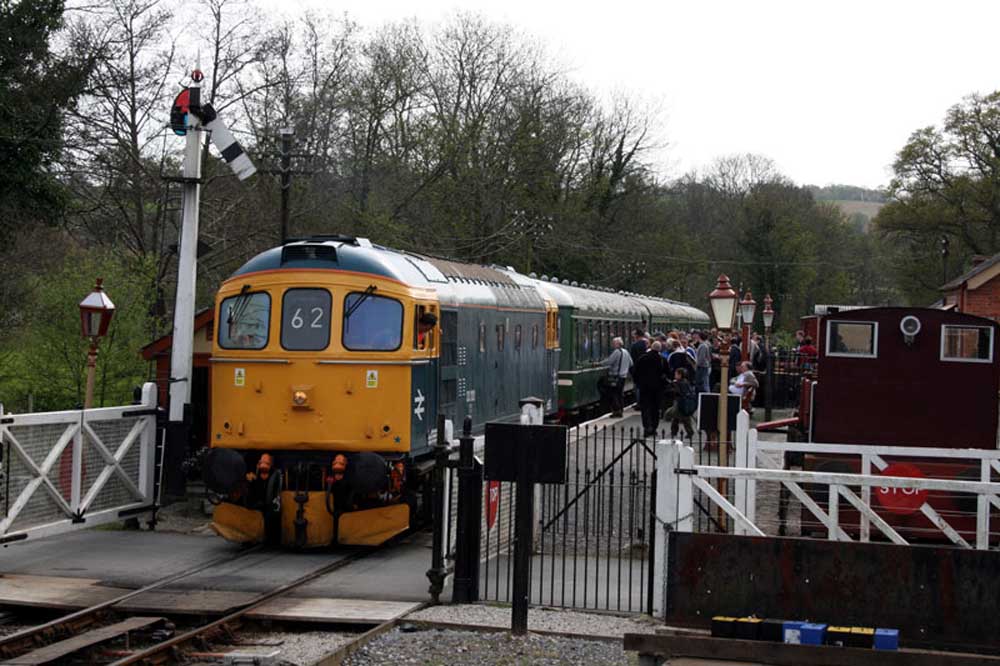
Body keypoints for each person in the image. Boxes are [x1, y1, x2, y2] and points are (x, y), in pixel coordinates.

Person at [634, 341, 667, 436]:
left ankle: (647, 427)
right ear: (660, 349)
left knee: (645, 408)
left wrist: (639, 383)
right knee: (655, 408)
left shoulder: (642, 358)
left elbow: (636, 372)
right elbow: (668, 373)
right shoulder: (662, 360)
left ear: (651, 347)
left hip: (644, 388)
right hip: (658, 388)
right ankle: (654, 428)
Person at [602, 337, 632, 417]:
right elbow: (631, 363)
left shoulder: (616, 352)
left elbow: (609, 362)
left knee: (614, 394)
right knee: (620, 393)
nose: (612, 345)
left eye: (614, 343)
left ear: (618, 344)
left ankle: (617, 411)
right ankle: (621, 409)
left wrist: (600, 363)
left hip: (616, 376)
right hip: (623, 376)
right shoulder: (626, 352)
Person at [665, 367, 696, 440]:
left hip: (680, 403)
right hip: (685, 403)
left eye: (676, 374)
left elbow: (676, 392)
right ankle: (675, 431)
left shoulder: (678, 383)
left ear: (680, 375)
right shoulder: (686, 382)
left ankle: (687, 432)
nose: (675, 375)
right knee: (679, 418)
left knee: (679, 416)